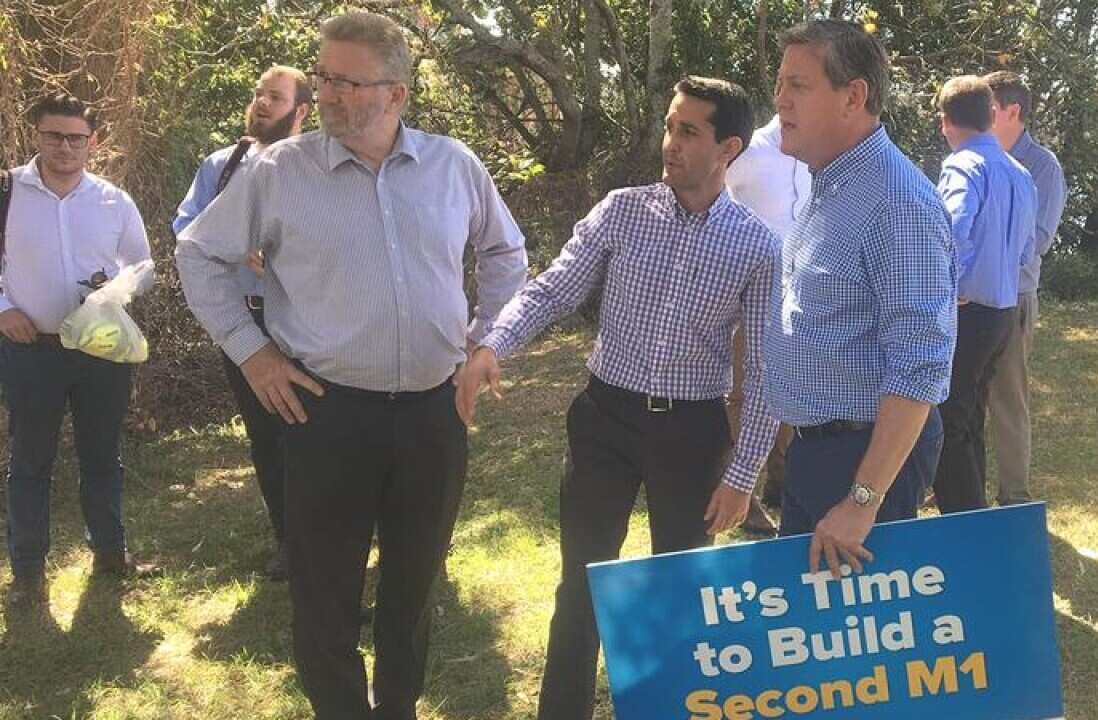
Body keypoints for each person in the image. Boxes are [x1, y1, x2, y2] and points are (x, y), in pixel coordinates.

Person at [175, 12, 527, 719]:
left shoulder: (452, 166)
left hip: (434, 413)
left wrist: (488, 343)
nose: (327, 94)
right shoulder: (279, 171)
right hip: (324, 412)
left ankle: (396, 707)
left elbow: (505, 254)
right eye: (323, 77)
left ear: (396, 94)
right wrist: (255, 354)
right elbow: (197, 254)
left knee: (415, 585)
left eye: (347, 82)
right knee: (324, 591)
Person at [454, 76, 779, 720]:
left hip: (690, 433)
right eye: (669, 125)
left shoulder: (757, 245)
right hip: (605, 418)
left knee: (678, 592)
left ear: (729, 148)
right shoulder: (623, 209)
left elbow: (767, 370)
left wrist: (743, 476)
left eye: (689, 131)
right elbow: (553, 289)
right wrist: (493, 344)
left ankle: (673, 709)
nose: (671, 143)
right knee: (580, 586)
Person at [766, 20, 956, 574]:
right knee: (815, 638)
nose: (779, 101)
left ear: (853, 96)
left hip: (862, 462)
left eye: (797, 86)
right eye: (779, 84)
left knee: (856, 649)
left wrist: (861, 501)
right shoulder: (831, 184)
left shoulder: (897, 204)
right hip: (819, 453)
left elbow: (920, 367)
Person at [1, 93, 156, 609]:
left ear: (93, 142)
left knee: (101, 455)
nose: (65, 147)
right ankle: (27, 572)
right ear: (36, 136)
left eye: (75, 138)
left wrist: (117, 291)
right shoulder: (7, 192)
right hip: (30, 349)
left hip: (99, 350)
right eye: (53, 136)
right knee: (29, 459)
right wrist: (3, 307)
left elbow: (144, 265)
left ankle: (111, 555)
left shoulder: (113, 200)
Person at [172, 65, 312, 580]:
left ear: (301, 110)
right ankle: (290, 542)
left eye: (274, 97)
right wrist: (238, 253)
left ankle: (354, 535)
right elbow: (187, 230)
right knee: (266, 435)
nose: (260, 103)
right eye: (258, 94)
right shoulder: (221, 166)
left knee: (322, 432)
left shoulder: (312, 165)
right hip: (247, 329)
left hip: (306, 322)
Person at [931, 75, 1038, 513]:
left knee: (946, 418)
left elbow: (952, 229)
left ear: (945, 122)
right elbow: (1029, 247)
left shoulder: (962, 165)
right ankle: (973, 512)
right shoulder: (1020, 171)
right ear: (991, 116)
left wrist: (949, 286)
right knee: (971, 413)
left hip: (969, 308)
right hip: (1004, 308)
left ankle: (962, 520)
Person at [982, 70, 1067, 506]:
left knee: (1008, 401)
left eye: (989, 107)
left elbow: (1038, 239)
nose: (981, 115)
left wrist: (980, 240)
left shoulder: (1042, 167)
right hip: (970, 300)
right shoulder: (975, 159)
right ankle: (962, 500)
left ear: (1012, 112)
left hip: (1014, 299)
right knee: (961, 401)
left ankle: (1014, 498)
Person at [723, 114, 811, 534]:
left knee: (790, 390)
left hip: (798, 296)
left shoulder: (815, 155)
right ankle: (745, 496)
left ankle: (783, 480)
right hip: (749, 297)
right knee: (745, 395)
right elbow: (706, 195)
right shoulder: (751, 153)